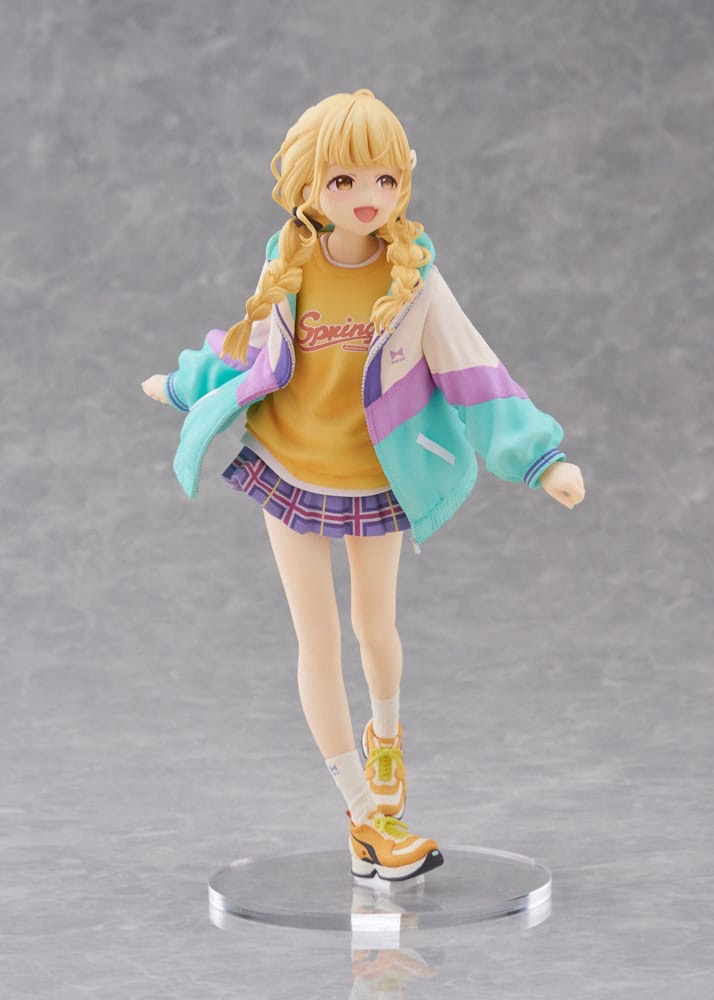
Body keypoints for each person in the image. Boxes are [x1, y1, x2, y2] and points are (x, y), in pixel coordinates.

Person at [142, 89, 585, 882]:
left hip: (377, 477)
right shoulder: (290, 262)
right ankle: (364, 818)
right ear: (308, 185)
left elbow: (473, 369)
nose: (366, 197)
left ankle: (386, 738)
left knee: (375, 627)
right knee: (316, 639)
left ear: (404, 181)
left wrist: (539, 458)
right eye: (343, 181)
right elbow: (249, 351)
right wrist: (185, 386)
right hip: (287, 465)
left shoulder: (413, 280)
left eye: (384, 179)